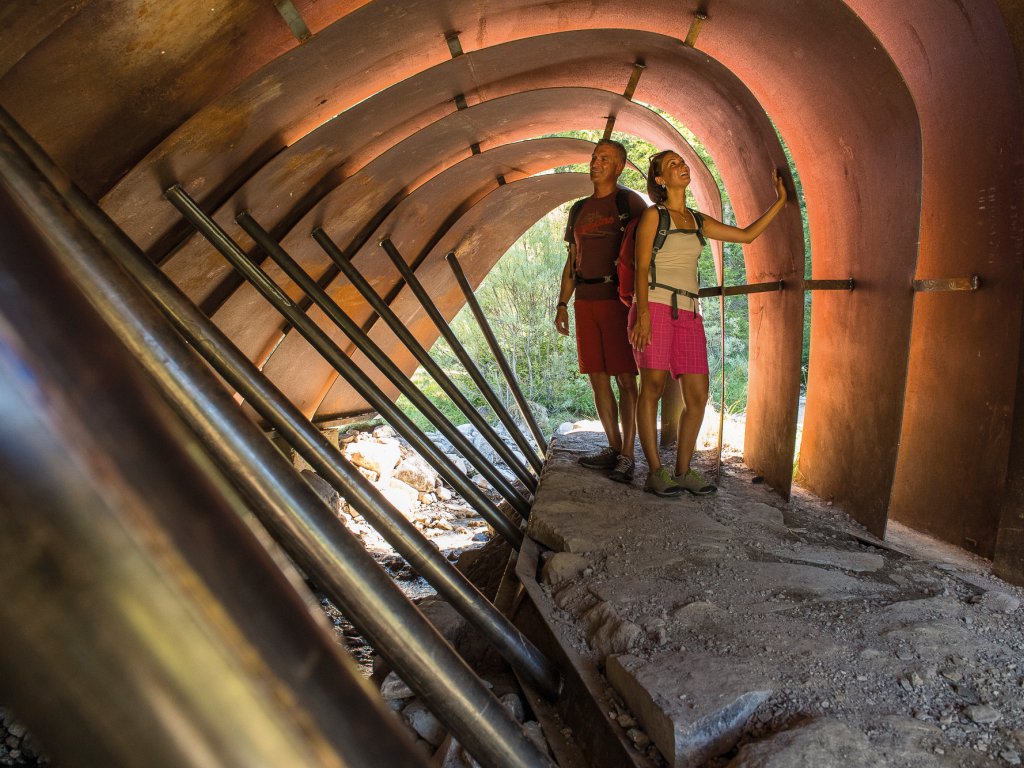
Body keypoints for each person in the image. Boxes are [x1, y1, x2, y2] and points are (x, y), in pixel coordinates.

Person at [629, 150, 787, 496]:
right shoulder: (653, 217)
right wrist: (641, 314)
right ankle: (656, 472)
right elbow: (641, 267)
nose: (681, 167)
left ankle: (683, 470)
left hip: (688, 311)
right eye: (672, 165)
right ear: (659, 180)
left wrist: (780, 201)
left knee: (698, 394)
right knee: (652, 387)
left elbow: (745, 235)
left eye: (682, 163)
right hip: (654, 305)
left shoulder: (698, 220)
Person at [555, 139, 647, 483]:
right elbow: (571, 260)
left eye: (605, 158)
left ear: (619, 166)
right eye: (594, 157)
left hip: (618, 299)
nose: (596, 162)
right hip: (585, 298)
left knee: (625, 377)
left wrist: (644, 303)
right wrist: (562, 303)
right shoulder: (578, 209)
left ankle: (627, 453)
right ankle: (612, 447)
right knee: (597, 376)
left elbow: (647, 252)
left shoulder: (629, 202)